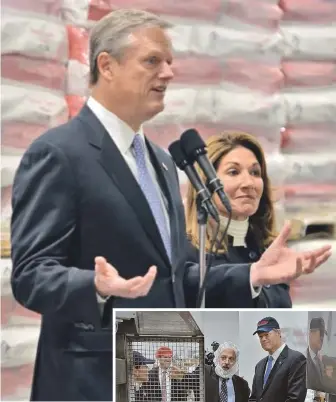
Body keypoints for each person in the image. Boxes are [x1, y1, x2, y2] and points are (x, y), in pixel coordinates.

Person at [10, 7, 332, 401]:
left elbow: (175, 277)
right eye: (152, 61)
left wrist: (250, 276)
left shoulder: (161, 162)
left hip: (159, 380)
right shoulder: (60, 153)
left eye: (170, 62)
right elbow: (30, 275)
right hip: (91, 379)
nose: (168, 73)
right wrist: (93, 286)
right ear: (106, 65)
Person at [184, 131, 331, 307]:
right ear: (205, 184)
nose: (249, 183)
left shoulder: (266, 249)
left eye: (255, 172)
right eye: (233, 172)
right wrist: (252, 275)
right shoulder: (188, 250)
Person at [249, 316, 307, 402]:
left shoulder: (296, 359)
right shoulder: (259, 366)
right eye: (260, 336)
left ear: (278, 333)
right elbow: (254, 398)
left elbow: (295, 399)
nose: (263, 339)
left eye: (267, 334)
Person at [307, 317, 336, 395]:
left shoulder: (319, 361)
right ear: (311, 334)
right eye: (320, 333)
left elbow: (323, 386)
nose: (322, 337)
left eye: (323, 334)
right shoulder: (302, 360)